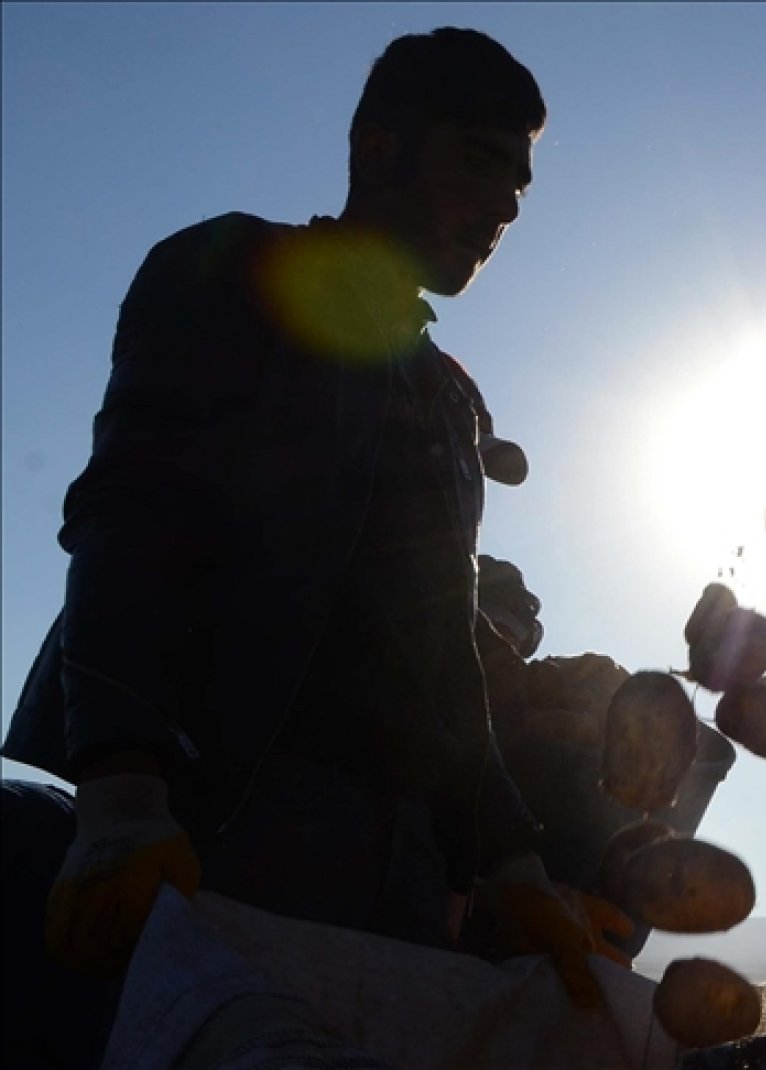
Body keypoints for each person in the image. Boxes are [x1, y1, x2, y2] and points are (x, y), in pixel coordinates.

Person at [1, 28, 621, 1010]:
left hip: (399, 866)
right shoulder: (231, 270)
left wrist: (511, 866)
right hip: (223, 816)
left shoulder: (448, 400)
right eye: (478, 161)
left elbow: (446, 659)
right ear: (379, 151)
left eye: (520, 184)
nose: (504, 204)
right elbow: (132, 515)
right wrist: (123, 788)